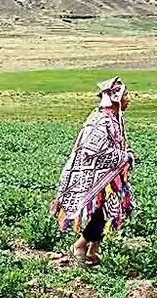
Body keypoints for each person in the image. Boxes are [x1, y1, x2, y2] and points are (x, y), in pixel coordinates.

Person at [51, 76, 136, 266]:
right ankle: (80, 246)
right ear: (116, 99)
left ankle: (93, 249)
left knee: (109, 210)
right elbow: (93, 149)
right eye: (126, 96)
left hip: (108, 177)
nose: (129, 99)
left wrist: (125, 153)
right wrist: (123, 157)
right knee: (102, 213)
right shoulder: (100, 120)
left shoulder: (113, 119)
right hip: (92, 176)